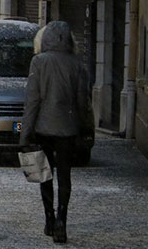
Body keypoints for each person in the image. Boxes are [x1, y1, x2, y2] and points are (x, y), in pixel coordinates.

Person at [20, 21, 92, 244]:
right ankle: (62, 218)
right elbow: (83, 101)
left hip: (43, 128)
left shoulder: (39, 62)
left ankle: (49, 219)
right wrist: (84, 127)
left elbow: (32, 100)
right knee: (64, 176)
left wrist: (25, 132)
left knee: (45, 175)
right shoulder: (77, 63)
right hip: (67, 128)